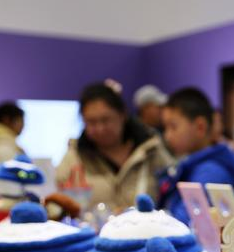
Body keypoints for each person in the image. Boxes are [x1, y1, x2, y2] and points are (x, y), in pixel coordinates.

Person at [56, 82, 171, 212]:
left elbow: (171, 195)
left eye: (105, 120)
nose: (100, 129)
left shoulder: (151, 150)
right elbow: (57, 206)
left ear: (123, 115)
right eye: (91, 122)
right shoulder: (74, 158)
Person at [158, 87, 234, 224]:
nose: (167, 136)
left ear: (200, 127)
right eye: (165, 128)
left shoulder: (211, 172)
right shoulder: (197, 165)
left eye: (173, 127)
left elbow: (182, 224)